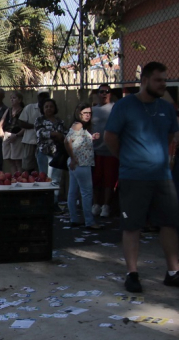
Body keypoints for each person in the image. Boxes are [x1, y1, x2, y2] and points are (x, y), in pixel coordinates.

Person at [104, 62, 179, 293]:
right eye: (158, 80)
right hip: (133, 177)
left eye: (165, 80)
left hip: (162, 177)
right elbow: (110, 138)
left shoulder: (166, 108)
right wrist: (128, 159)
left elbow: (171, 136)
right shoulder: (125, 106)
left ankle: (173, 272)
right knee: (132, 226)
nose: (163, 84)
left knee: (169, 224)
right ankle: (132, 274)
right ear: (144, 80)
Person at [65, 104, 102, 230]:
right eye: (85, 112)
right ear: (79, 113)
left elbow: (78, 142)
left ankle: (74, 219)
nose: (87, 115)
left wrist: (92, 138)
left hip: (78, 163)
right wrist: (73, 158)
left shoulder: (81, 127)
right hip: (81, 163)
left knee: (73, 192)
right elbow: (67, 141)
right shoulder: (78, 125)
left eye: (89, 113)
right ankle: (89, 221)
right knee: (86, 193)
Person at [91, 83, 118, 218]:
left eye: (107, 91)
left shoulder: (115, 108)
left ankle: (106, 206)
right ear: (97, 94)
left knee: (109, 179)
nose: (104, 94)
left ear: (110, 93)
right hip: (94, 150)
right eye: (101, 92)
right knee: (96, 179)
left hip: (110, 150)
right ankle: (96, 204)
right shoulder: (92, 110)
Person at [35, 98, 67, 206]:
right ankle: (44, 203)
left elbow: (65, 134)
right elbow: (40, 133)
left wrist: (61, 136)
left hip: (57, 154)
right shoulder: (39, 120)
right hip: (43, 152)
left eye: (51, 106)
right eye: (46, 106)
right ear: (43, 109)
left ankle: (54, 203)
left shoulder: (60, 121)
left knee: (56, 180)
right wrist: (54, 134)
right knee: (44, 179)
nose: (49, 108)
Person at [18, 87, 50, 172]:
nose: (43, 98)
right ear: (38, 97)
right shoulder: (29, 108)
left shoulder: (50, 109)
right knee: (28, 167)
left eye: (45, 96)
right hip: (30, 141)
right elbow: (21, 122)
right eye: (41, 96)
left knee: (43, 168)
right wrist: (35, 126)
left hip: (45, 143)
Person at [0, 91, 25, 174]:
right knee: (10, 161)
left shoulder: (23, 111)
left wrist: (16, 135)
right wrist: (0, 130)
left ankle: (19, 179)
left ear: (19, 100)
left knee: (17, 162)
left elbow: (25, 128)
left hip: (17, 136)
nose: (12, 100)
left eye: (14, 98)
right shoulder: (8, 110)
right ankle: (13, 179)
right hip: (7, 136)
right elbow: (0, 124)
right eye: (11, 98)